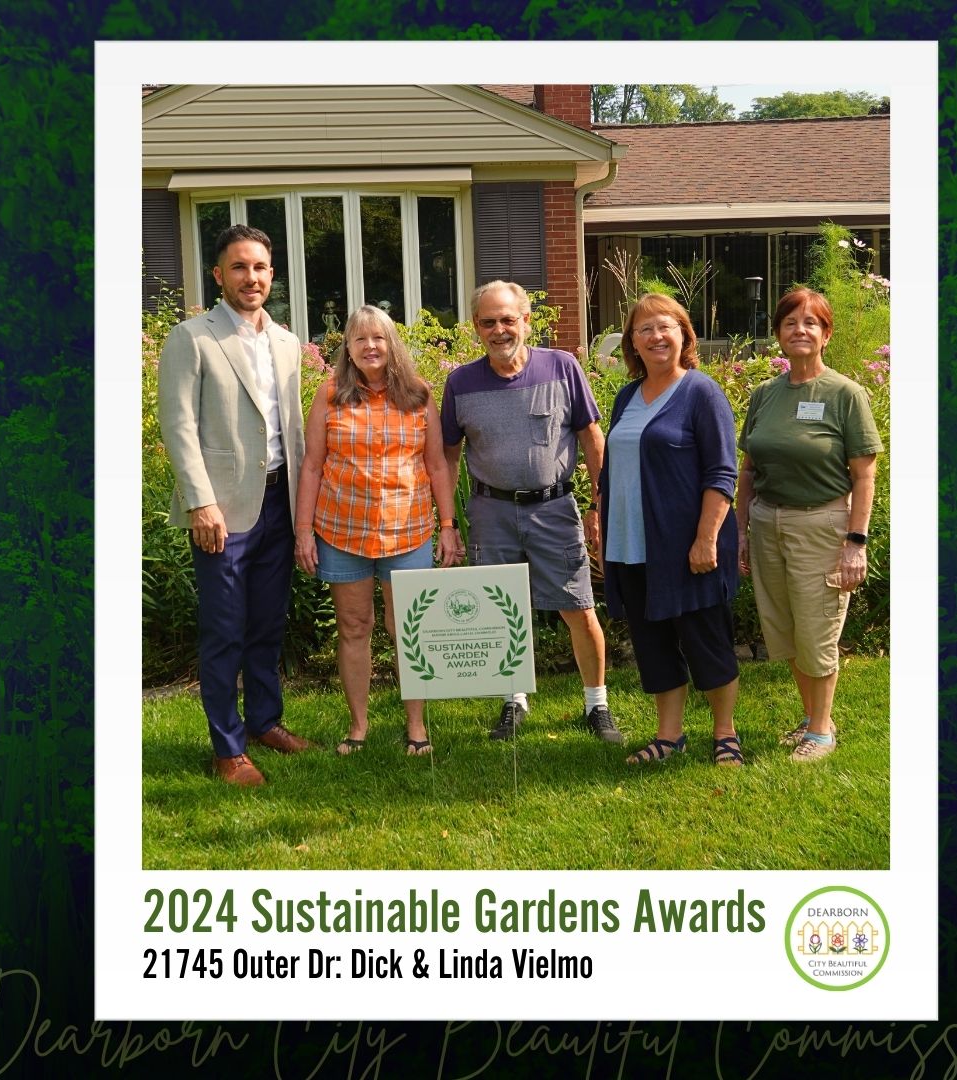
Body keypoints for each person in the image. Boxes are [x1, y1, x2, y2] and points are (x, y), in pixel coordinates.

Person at [158, 224, 310, 787]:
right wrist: (201, 503)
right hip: (221, 510)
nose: (252, 277)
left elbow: (291, 429)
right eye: (240, 267)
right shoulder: (192, 338)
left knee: (268, 623)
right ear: (219, 275)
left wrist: (304, 508)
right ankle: (228, 748)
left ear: (272, 275)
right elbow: (177, 425)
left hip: (280, 502)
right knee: (225, 628)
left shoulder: (287, 341)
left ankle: (266, 723)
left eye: (261, 268)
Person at [440, 280, 623, 744]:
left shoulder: (561, 367)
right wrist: (447, 522)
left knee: (578, 607)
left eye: (508, 319)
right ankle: (513, 699)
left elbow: (592, 439)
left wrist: (599, 506)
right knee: (501, 610)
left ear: (525, 320)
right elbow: (446, 456)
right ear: (476, 327)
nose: (499, 330)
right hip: (490, 510)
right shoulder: (461, 382)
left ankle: (596, 705)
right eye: (488, 322)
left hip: (554, 509)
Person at [294, 305, 459, 756]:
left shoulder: (419, 395)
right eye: (360, 339)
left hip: (407, 532)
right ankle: (358, 727)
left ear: (392, 344)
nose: (370, 347)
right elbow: (311, 466)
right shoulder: (329, 395)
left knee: (407, 627)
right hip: (342, 531)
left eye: (379, 338)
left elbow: (437, 464)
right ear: (347, 346)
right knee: (353, 626)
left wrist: (447, 525)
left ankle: (416, 726)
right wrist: (303, 530)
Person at [736, 287, 883, 762]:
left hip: (822, 524)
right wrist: (741, 530)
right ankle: (811, 717)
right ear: (778, 333)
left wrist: (855, 542)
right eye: (790, 323)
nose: (800, 331)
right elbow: (748, 470)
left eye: (811, 323)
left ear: (826, 334)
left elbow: (864, 475)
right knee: (787, 627)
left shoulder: (846, 394)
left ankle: (821, 729)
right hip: (767, 523)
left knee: (818, 628)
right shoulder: (765, 394)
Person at [600, 294, 742, 766]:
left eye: (666, 327)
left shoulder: (701, 392)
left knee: (706, 640)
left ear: (684, 335)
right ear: (632, 344)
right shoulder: (625, 396)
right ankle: (669, 735)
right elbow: (611, 470)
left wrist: (705, 539)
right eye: (644, 330)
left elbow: (722, 473)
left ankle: (725, 733)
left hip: (686, 546)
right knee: (653, 643)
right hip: (633, 545)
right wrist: (600, 520)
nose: (656, 337)